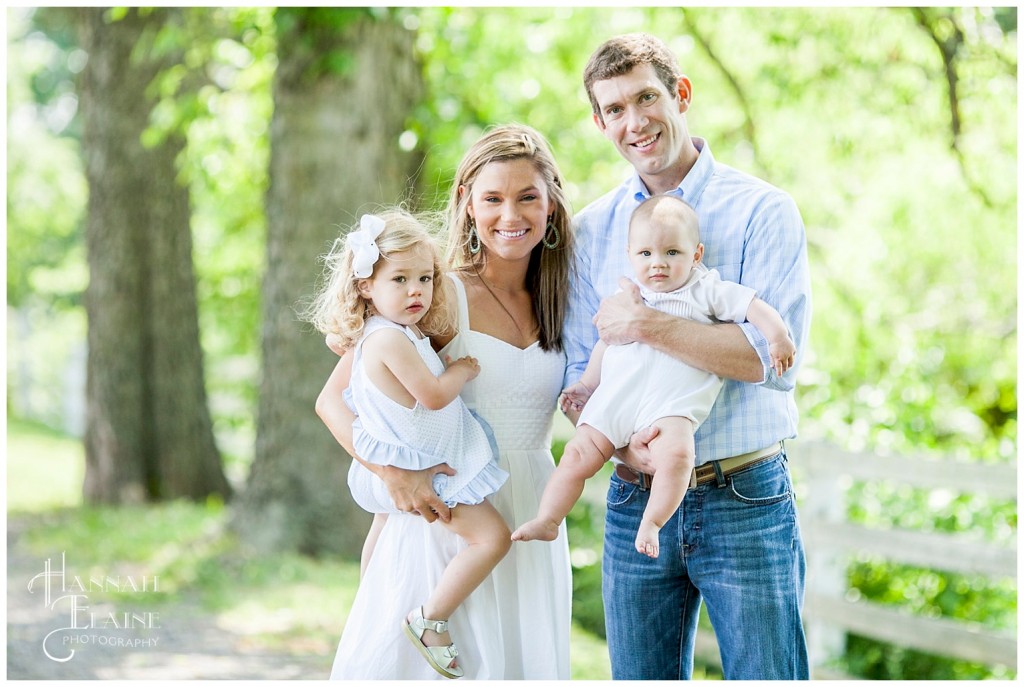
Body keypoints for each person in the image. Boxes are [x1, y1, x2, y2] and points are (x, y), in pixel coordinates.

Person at [565, 33, 812, 679]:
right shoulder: (593, 230)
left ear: (681, 94)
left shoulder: (762, 211)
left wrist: (645, 323)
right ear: (599, 122)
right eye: (614, 109)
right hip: (632, 497)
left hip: (745, 497)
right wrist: (625, 448)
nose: (634, 121)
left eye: (647, 98)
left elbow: (768, 361)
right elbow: (578, 373)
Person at [318, 124, 574, 680]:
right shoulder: (437, 295)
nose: (512, 214)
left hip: (532, 508)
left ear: (551, 204)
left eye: (528, 197)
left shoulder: (563, 297)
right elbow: (333, 400)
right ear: (467, 203)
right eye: (493, 199)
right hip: (449, 514)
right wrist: (393, 476)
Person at [513, 194, 796, 559]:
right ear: (631, 255)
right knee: (578, 452)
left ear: (695, 255)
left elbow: (753, 306)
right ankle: (549, 519)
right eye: (646, 254)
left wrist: (778, 336)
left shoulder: (704, 289)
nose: (657, 264)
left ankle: (653, 522)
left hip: (671, 406)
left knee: (676, 455)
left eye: (672, 253)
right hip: (619, 399)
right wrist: (586, 384)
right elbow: (606, 343)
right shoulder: (629, 296)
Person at [306, 210, 513, 678]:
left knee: (380, 537)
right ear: (365, 286)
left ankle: (370, 601)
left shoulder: (389, 334)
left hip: (402, 460)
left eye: (425, 277)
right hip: (427, 471)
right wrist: (461, 369)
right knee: (492, 537)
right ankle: (430, 618)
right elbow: (434, 396)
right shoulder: (388, 340)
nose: (416, 290)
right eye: (399, 279)